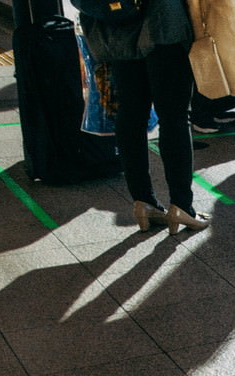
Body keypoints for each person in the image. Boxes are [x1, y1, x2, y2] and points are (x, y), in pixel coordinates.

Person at [79, 0, 210, 233]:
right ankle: (182, 206)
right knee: (174, 118)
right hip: (163, 27)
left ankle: (143, 202)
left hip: (116, 30)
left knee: (131, 113)